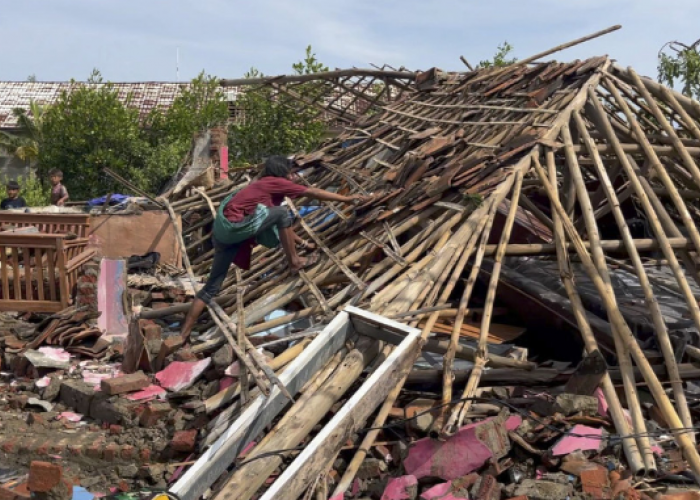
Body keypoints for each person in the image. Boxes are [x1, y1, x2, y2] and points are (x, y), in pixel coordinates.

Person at [179, 155, 370, 341]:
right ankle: (294, 262)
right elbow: (313, 193)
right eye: (291, 173)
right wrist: (348, 199)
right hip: (236, 227)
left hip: (223, 233)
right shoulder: (274, 182)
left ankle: (183, 335)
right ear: (282, 173)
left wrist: (304, 244)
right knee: (281, 212)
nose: (294, 177)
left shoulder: (260, 188)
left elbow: (280, 226)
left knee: (212, 287)